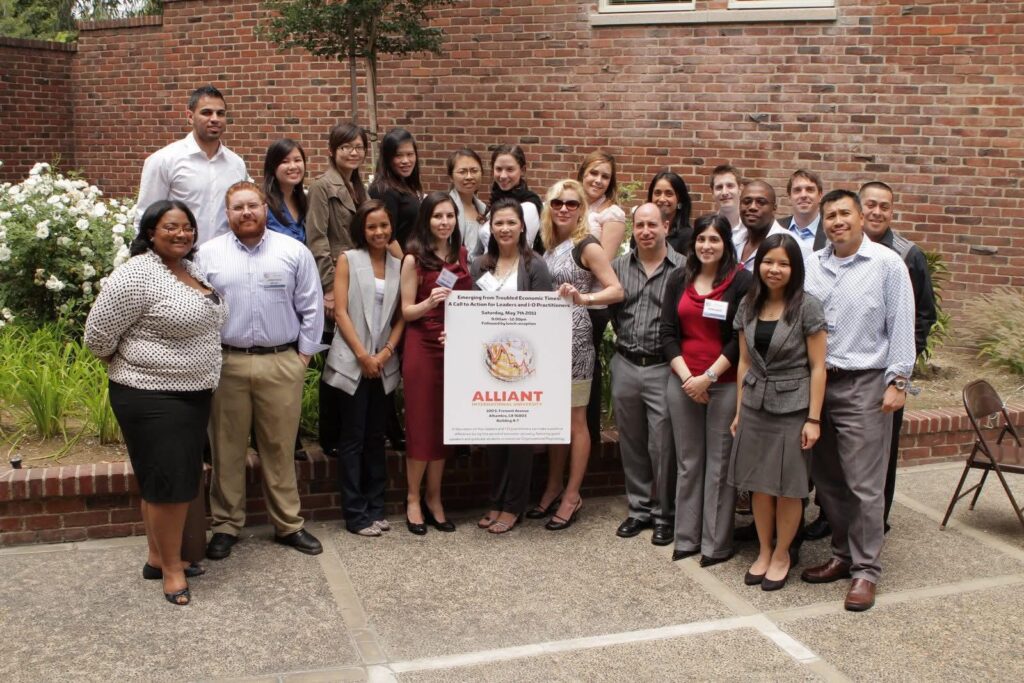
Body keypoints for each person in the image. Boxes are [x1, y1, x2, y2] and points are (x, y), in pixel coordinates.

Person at [84, 200, 227, 606]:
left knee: (160, 481)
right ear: (150, 232)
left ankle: (156, 558)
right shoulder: (136, 275)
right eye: (170, 227)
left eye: (187, 227)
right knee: (172, 485)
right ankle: (172, 570)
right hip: (151, 396)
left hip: (191, 394)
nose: (182, 234)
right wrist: (137, 365)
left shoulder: (190, 269)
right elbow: (97, 337)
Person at [800, 189, 915, 612]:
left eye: (844, 213)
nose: (837, 221)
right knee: (828, 479)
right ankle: (842, 554)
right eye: (830, 215)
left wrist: (898, 381)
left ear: (861, 218)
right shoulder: (812, 265)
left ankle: (866, 570)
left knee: (864, 484)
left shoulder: (887, 265)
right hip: (818, 385)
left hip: (864, 384)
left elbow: (901, 323)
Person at [196, 181, 325, 560]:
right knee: (226, 449)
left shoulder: (293, 251)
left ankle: (288, 524)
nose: (246, 213)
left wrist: (302, 357)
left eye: (252, 205)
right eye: (238, 207)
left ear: (265, 208)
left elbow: (312, 306)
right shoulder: (207, 255)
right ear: (227, 213)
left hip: (281, 362)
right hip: (227, 363)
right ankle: (226, 525)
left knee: (280, 448)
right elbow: (197, 310)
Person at [729, 234, 827, 591]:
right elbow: (743, 362)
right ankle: (764, 550)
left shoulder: (807, 307)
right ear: (759, 265)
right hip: (755, 405)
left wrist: (813, 419)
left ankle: (783, 553)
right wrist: (739, 411)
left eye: (783, 263)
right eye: (768, 261)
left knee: (788, 488)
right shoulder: (749, 303)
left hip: (793, 409)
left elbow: (818, 367)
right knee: (759, 485)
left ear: (794, 268)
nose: (774, 269)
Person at [532, 179, 624, 531]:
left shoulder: (587, 245)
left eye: (572, 203)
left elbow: (616, 290)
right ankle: (553, 486)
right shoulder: (547, 243)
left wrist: (584, 298)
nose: (564, 209)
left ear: (581, 209)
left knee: (575, 420)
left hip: (575, 340)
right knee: (555, 419)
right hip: (548, 340)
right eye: (557, 203)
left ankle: (572, 495)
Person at [660, 214, 752, 565]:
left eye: (714, 239)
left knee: (719, 465)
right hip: (683, 382)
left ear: (726, 244)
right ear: (693, 242)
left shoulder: (741, 281)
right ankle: (686, 537)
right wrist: (689, 379)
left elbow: (738, 339)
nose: (706, 245)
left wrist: (708, 378)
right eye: (701, 239)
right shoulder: (678, 278)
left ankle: (716, 544)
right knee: (688, 462)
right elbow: (667, 333)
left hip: (724, 385)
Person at [469, 197, 554, 533]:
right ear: (491, 228)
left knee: (519, 439)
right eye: (498, 223)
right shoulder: (480, 265)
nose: (504, 228)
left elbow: (545, 318)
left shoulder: (535, 266)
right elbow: (472, 314)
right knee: (494, 438)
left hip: (524, 365)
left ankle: (513, 506)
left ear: (522, 227)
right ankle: (496, 500)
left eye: (511, 222)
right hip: (490, 365)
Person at [323, 200, 405, 537]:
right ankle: (355, 514)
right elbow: (340, 312)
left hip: (383, 363)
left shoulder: (400, 264)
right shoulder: (348, 259)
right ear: (362, 229)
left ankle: (376, 507)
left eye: (384, 225)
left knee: (376, 438)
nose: (378, 232)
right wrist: (363, 355)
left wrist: (385, 353)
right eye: (372, 226)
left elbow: (402, 316)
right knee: (353, 438)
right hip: (353, 362)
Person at [860, 181, 937, 531]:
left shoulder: (908, 255)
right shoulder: (839, 248)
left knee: (883, 451)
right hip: (850, 368)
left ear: (892, 212)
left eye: (884, 206)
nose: (877, 212)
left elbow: (924, 317)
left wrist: (901, 369)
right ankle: (832, 517)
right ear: (860, 208)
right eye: (871, 205)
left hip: (888, 374)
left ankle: (878, 520)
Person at [609, 203, 683, 546]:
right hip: (626, 362)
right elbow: (614, 312)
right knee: (632, 441)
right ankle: (638, 510)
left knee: (662, 445)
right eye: (640, 225)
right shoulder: (618, 267)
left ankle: (664, 514)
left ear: (666, 226)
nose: (646, 231)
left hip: (663, 367)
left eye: (652, 224)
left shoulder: (683, 268)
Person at [399, 192, 473, 534]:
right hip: (422, 346)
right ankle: (413, 498)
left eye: (449, 216)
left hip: (453, 346)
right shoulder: (413, 259)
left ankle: (435, 498)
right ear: (426, 220)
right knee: (420, 423)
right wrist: (429, 302)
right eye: (437, 216)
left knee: (445, 425)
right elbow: (406, 311)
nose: (444, 222)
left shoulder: (462, 255)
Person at [306, 123, 372, 456]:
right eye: (346, 147)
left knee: (354, 356)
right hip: (338, 282)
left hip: (362, 282)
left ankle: (352, 431)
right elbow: (317, 238)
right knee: (335, 359)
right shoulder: (322, 187)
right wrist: (329, 288)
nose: (353, 152)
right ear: (332, 150)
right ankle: (331, 436)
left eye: (358, 147)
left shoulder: (361, 188)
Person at [135, 85, 247, 246]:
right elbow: (145, 217)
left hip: (223, 257)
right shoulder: (164, 160)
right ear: (190, 116)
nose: (215, 118)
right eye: (206, 112)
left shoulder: (236, 164)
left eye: (220, 113)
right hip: (178, 256)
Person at [577, 151, 627, 460]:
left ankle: (589, 438)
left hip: (591, 304)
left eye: (605, 176)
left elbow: (603, 264)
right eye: (593, 173)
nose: (597, 180)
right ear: (582, 173)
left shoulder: (612, 214)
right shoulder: (570, 203)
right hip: (564, 301)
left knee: (586, 372)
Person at [472, 145, 543, 257]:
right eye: (499, 169)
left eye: (510, 169)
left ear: (522, 170)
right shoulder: (495, 202)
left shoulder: (529, 206)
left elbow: (517, 252)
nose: (503, 175)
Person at [370, 127, 423, 250]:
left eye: (410, 154)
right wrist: (404, 261)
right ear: (387, 158)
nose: (406, 161)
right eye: (398, 155)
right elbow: (388, 240)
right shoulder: (383, 191)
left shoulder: (405, 184)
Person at [734, 181, 788, 272]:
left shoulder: (793, 245)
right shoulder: (733, 241)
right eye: (746, 202)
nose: (752, 207)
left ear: (774, 208)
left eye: (761, 202)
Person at [262, 138, 308, 242]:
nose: (293, 166)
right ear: (272, 167)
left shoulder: (305, 201)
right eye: (285, 161)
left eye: (297, 160)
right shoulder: (262, 204)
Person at [777, 169, 827, 258]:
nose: (803, 195)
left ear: (820, 195)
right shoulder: (776, 227)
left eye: (810, 189)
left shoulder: (830, 230)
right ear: (789, 197)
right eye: (797, 190)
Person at [447, 148, 488, 255]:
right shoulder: (444, 208)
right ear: (451, 177)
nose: (469, 177)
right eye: (462, 172)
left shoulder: (484, 209)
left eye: (474, 171)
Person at [647, 170, 694, 254]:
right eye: (657, 193)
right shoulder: (642, 232)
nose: (662, 199)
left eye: (669, 194)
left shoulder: (688, 237)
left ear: (679, 199)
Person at [710, 164, 743, 234]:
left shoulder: (753, 229)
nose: (724, 192)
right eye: (719, 187)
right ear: (712, 193)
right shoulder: (707, 229)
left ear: (740, 189)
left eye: (730, 186)